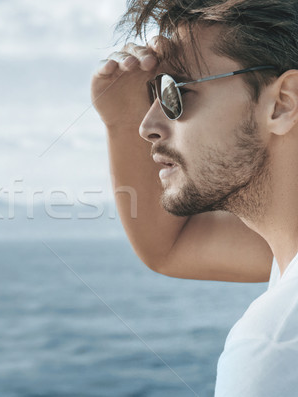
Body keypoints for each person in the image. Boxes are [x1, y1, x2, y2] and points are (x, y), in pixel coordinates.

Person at [92, 0, 298, 395]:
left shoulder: (276, 351)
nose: (147, 126)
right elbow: (170, 247)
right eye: (154, 92)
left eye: (175, 90)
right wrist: (119, 121)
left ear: (282, 102)